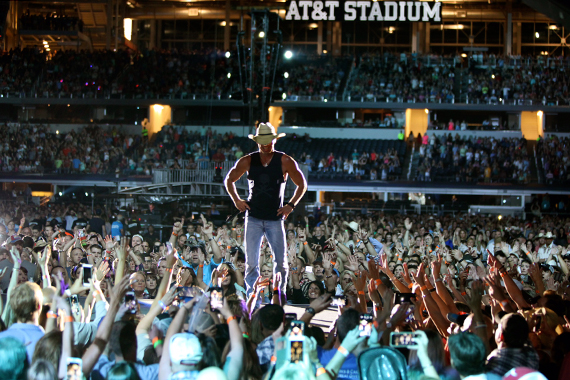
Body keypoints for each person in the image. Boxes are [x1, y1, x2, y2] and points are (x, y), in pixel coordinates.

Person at [224, 123, 307, 299]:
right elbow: (229, 180)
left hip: (275, 218)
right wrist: (237, 200)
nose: (265, 144)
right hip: (253, 217)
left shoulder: (284, 160)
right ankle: (252, 296)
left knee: (281, 261)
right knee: (251, 263)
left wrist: (290, 205)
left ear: (274, 140)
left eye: (268, 141)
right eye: (262, 141)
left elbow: (302, 184)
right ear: (257, 142)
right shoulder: (248, 160)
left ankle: (280, 295)